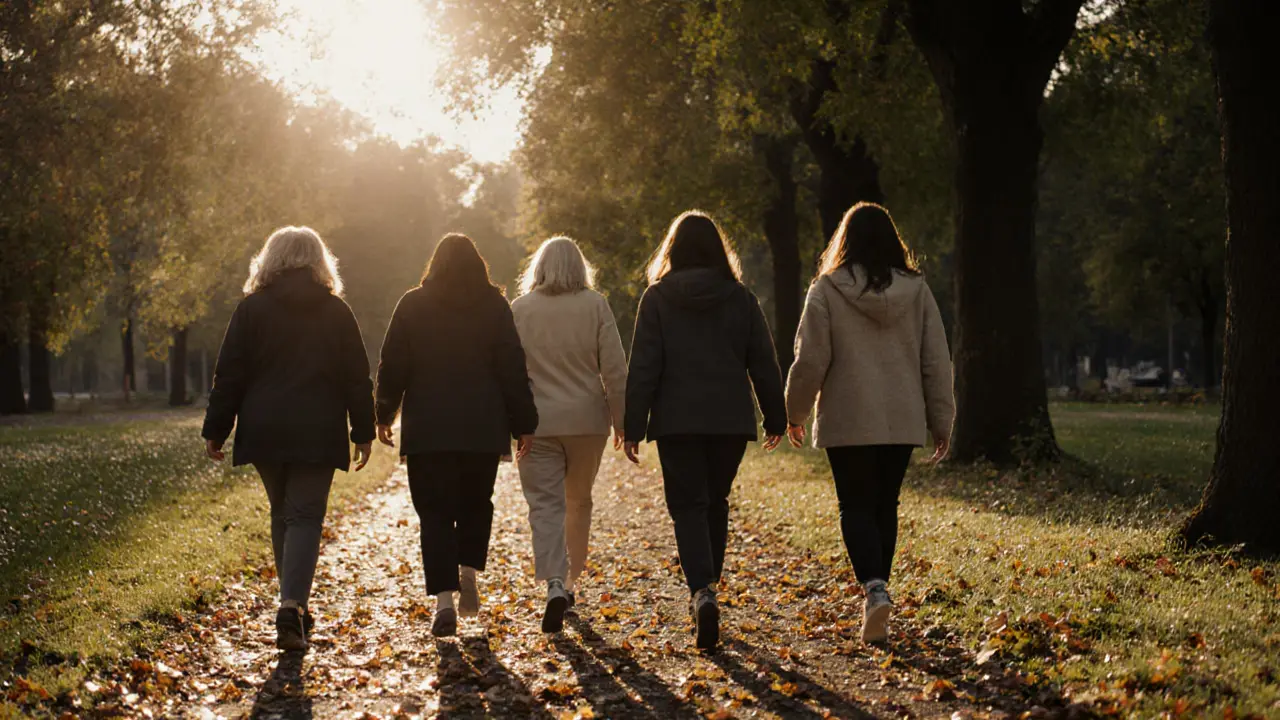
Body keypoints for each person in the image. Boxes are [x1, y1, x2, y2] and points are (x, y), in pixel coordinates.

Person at [784, 202, 954, 644]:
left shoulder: (826, 289)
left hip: (848, 417)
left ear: (845, 241)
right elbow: (936, 360)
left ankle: (874, 588)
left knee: (855, 506)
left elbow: (810, 361)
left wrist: (794, 413)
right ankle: (880, 589)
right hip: (900, 419)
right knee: (884, 506)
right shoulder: (917, 291)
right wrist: (942, 420)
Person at [202, 226, 375, 652]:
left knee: (284, 513)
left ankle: (292, 606)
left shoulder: (251, 311)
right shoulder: (336, 313)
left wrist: (216, 428)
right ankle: (292, 606)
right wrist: (363, 431)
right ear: (320, 261)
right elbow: (356, 377)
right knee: (303, 516)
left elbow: (230, 375)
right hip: (317, 427)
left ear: (270, 259)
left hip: (265, 428)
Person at [624, 210, 787, 651]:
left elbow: (644, 368)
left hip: (677, 421)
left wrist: (632, 426)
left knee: (688, 504)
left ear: (672, 251)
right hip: (729, 420)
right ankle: (709, 585)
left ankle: (702, 591)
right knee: (716, 501)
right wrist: (776, 417)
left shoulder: (656, 299)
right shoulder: (741, 298)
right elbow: (764, 364)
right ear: (719, 250)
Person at [374, 233, 538, 638]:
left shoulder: (412, 305)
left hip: (428, 429)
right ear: (478, 265)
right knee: (475, 504)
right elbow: (511, 367)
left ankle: (444, 601)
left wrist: (382, 413)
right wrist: (524, 423)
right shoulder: (495, 307)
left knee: (433, 513)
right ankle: (468, 572)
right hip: (481, 426)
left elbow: (393, 364)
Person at [511, 236, 628, 633]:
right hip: (586, 422)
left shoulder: (520, 310)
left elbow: (509, 373)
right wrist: (622, 420)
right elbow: (614, 368)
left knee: (544, 506)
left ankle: (555, 583)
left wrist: (511, 421)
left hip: (537, 423)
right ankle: (573, 582)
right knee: (578, 502)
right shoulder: (595, 305)